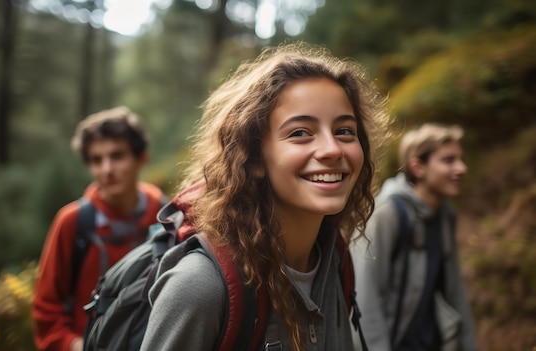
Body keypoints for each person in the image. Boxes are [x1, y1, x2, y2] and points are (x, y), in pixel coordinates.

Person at [139, 42, 391, 351]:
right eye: (300, 133)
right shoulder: (200, 286)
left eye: (344, 131)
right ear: (254, 158)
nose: (332, 149)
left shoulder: (334, 260)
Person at [32, 106, 168, 351]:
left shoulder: (166, 215)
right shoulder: (73, 221)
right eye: (96, 160)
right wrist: (80, 346)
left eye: (117, 156)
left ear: (141, 158)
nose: (107, 169)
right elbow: (46, 310)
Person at [351, 123, 479, 351]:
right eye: (448, 160)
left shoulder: (444, 215)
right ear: (418, 167)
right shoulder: (386, 215)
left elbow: (454, 292)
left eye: (461, 159)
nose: (462, 168)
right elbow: (364, 299)